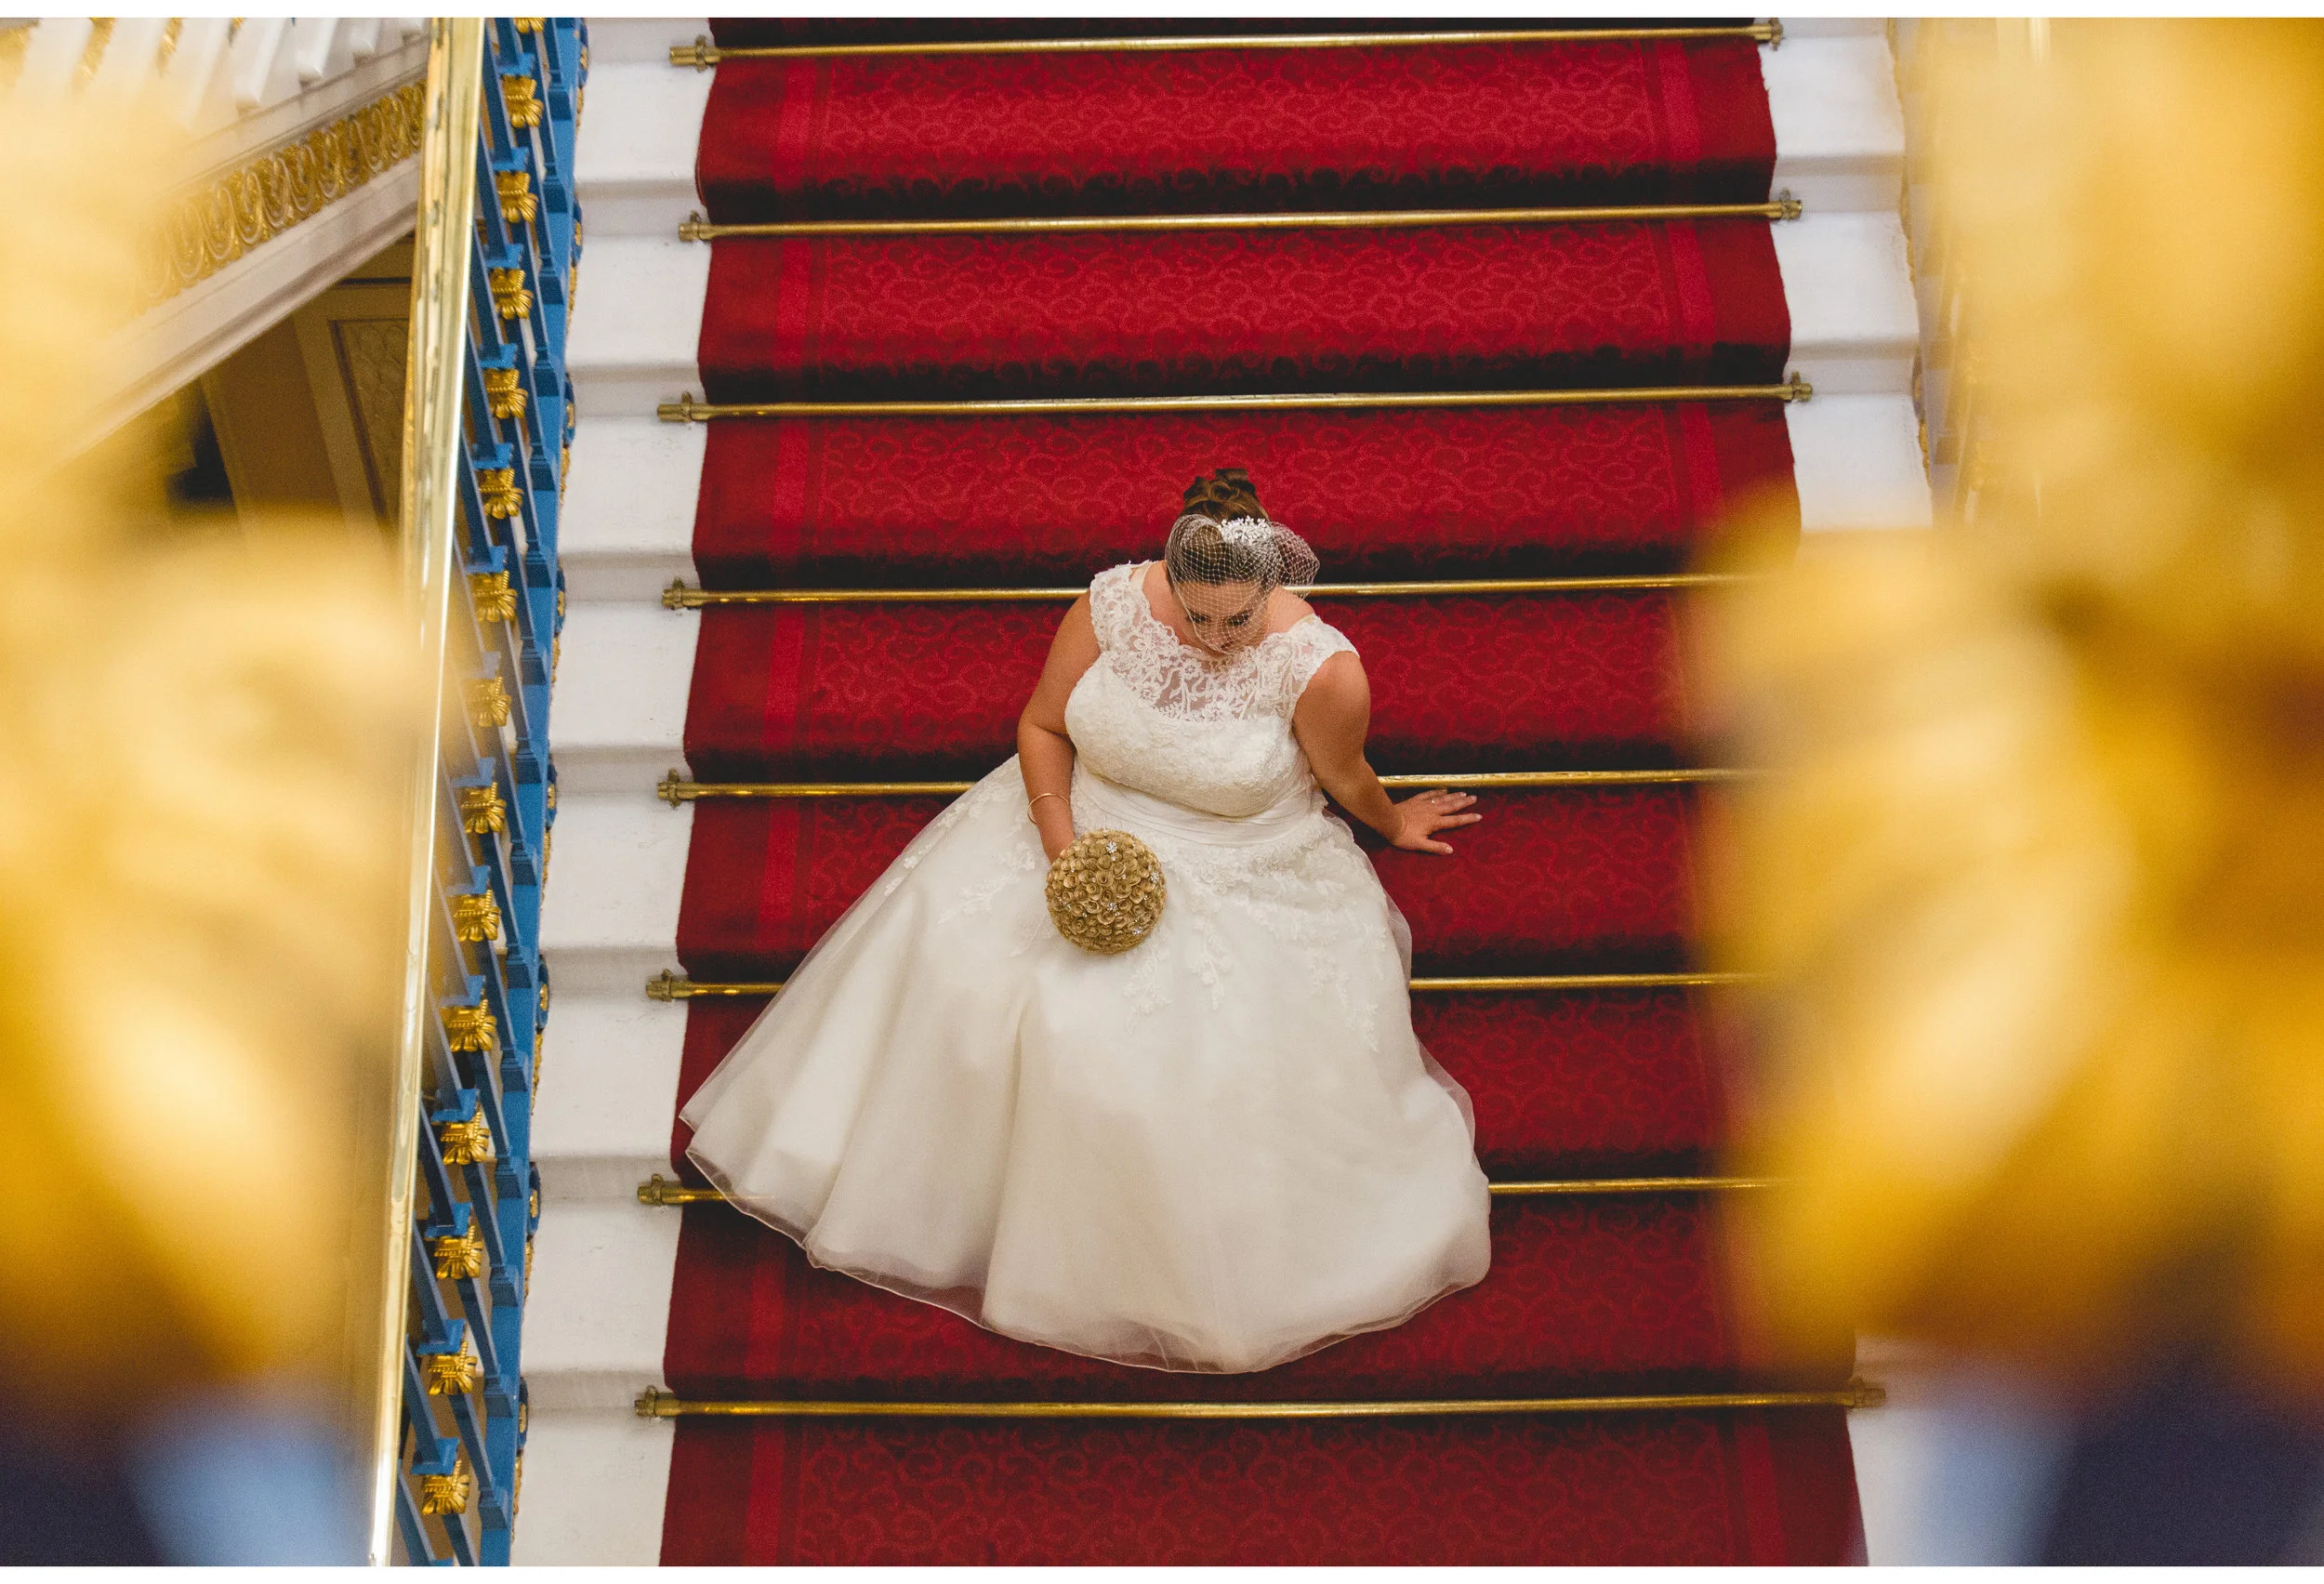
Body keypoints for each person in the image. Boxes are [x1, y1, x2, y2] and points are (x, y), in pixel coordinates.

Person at [681, 468, 1493, 1373]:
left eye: (1239, 620)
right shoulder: (1109, 604)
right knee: (958, 973)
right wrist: (1064, 846)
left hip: (1237, 864)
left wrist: (1391, 822)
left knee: (1132, 1054)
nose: (1217, 638)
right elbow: (1041, 725)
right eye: (1197, 617)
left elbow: (1344, 777)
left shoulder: (1324, 670)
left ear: (1273, 590)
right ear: (1170, 583)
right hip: (1077, 824)